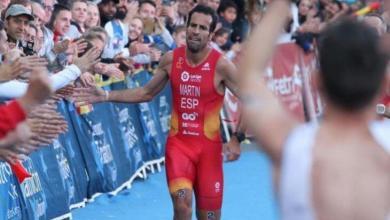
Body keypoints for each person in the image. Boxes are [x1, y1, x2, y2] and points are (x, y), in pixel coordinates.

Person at [75, 5, 241, 220]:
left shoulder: (222, 66)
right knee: (182, 204)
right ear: (187, 26)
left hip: (209, 153)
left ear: (210, 34)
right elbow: (146, 92)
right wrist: (105, 96)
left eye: (202, 28)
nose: (195, 31)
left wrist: (238, 137)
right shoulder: (172, 59)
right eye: (192, 25)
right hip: (179, 149)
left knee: (209, 215)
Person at [238, 1, 390, 220]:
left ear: (316, 81)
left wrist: (281, 6)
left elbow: (249, 74)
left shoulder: (290, 145)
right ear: (384, 82)